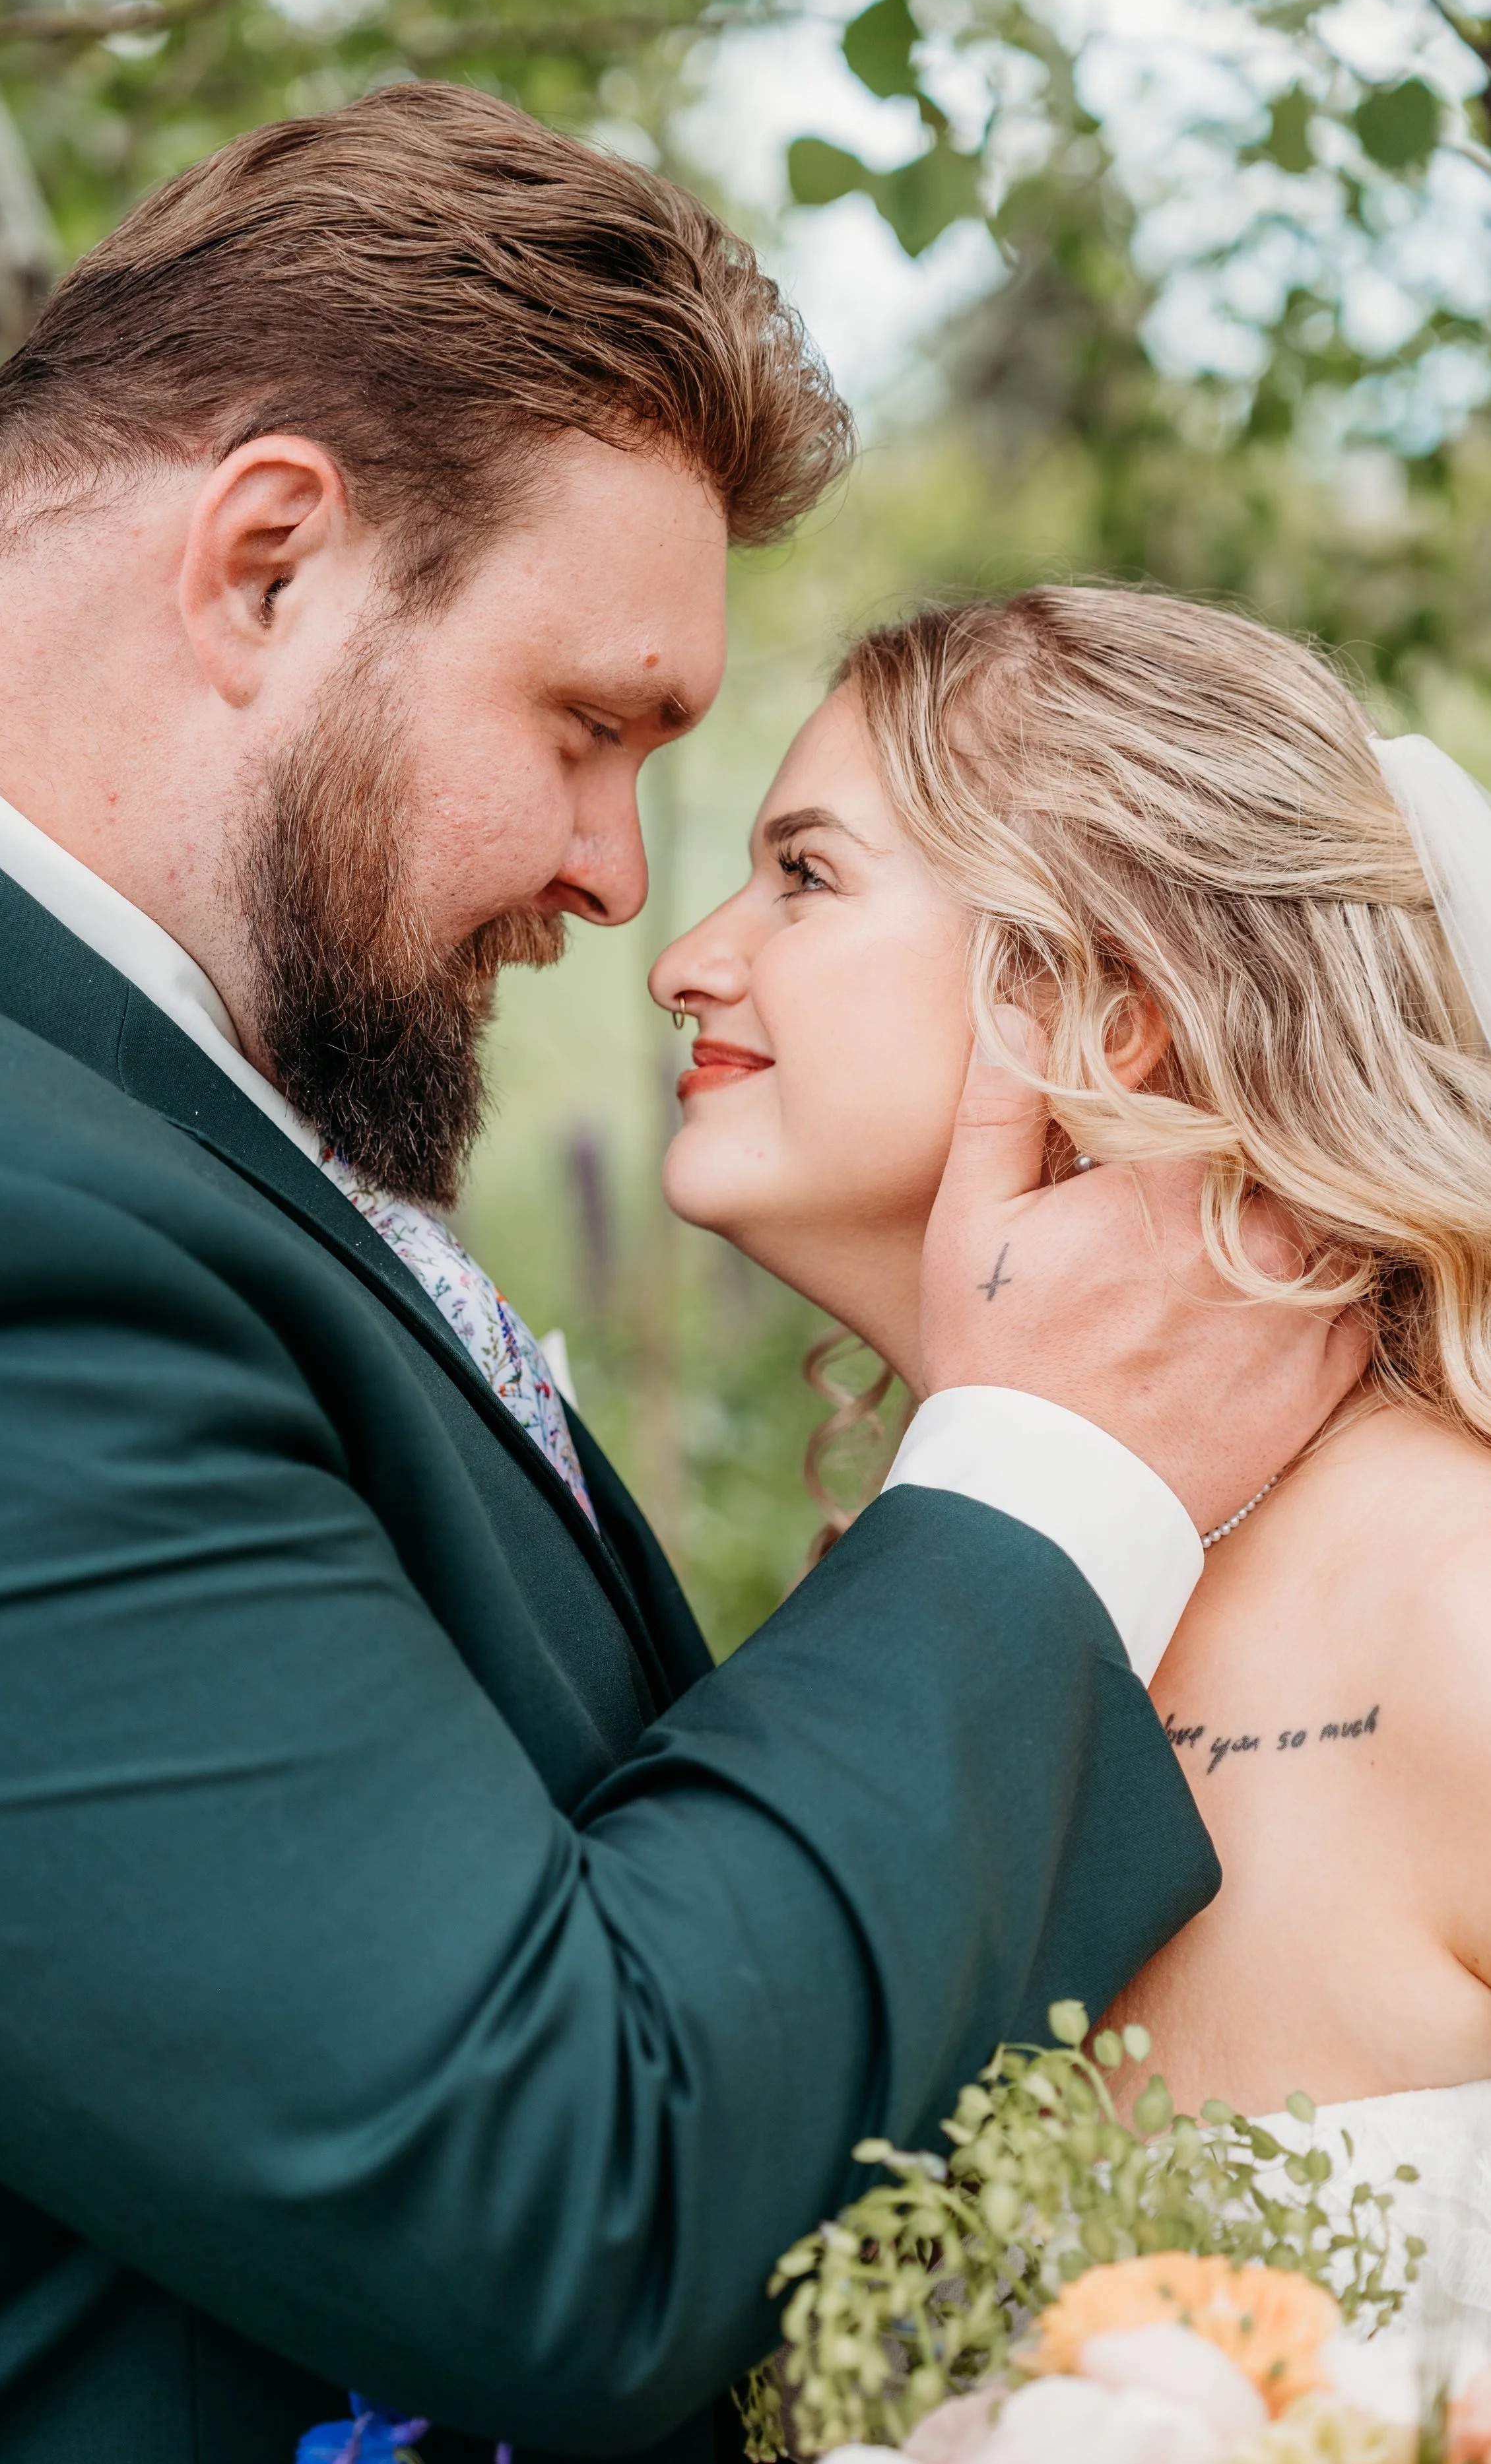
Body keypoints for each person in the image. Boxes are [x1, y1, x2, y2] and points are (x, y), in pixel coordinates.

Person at [0, 94, 1360, 2464]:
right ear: (264, 568)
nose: (620, 887)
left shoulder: (78, 1101)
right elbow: (564, 2199)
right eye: (591, 729)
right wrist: (1053, 1478)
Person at [651, 582, 1491, 2366]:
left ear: (1098, 1005)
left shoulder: (1457, 1595)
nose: (684, 959)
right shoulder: (913, 1608)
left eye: (802, 874)